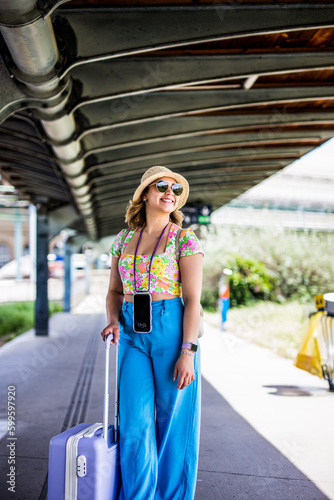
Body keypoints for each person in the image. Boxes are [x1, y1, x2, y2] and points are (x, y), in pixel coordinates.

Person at [101, 165, 204, 500]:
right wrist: (114, 319)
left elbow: (193, 301)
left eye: (175, 190)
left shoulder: (184, 239)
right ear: (145, 192)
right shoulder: (123, 239)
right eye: (162, 186)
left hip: (171, 329)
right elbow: (115, 290)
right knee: (134, 423)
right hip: (131, 330)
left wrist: (187, 351)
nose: (169, 194)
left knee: (173, 424)